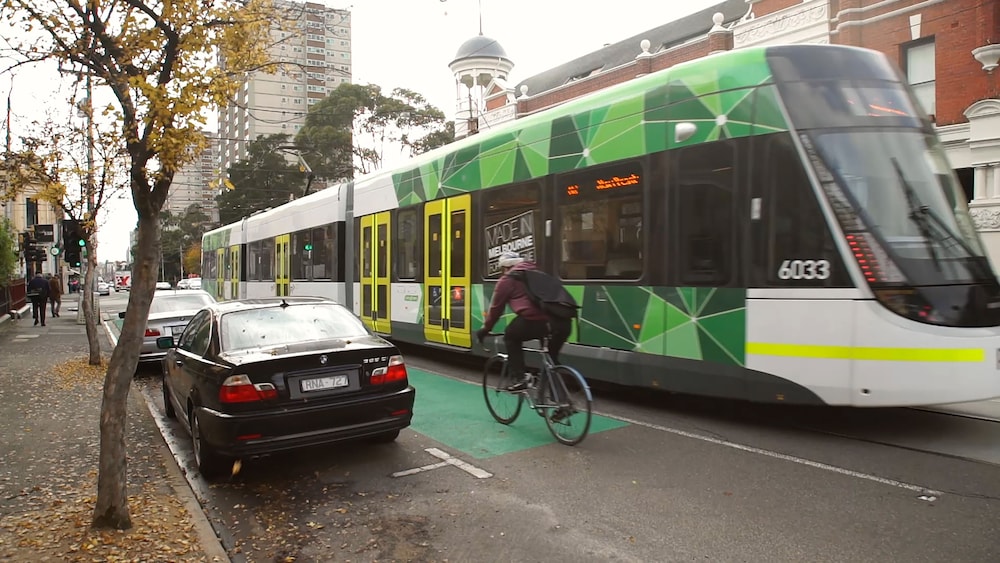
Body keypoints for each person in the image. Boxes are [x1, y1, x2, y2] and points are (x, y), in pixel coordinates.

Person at [475, 251, 572, 391]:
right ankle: (560, 398)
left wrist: (485, 329)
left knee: (510, 337)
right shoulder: (539, 274)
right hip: (563, 322)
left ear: (506, 268)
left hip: (536, 321)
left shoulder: (507, 280)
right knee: (551, 358)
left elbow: (496, 309)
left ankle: (519, 379)